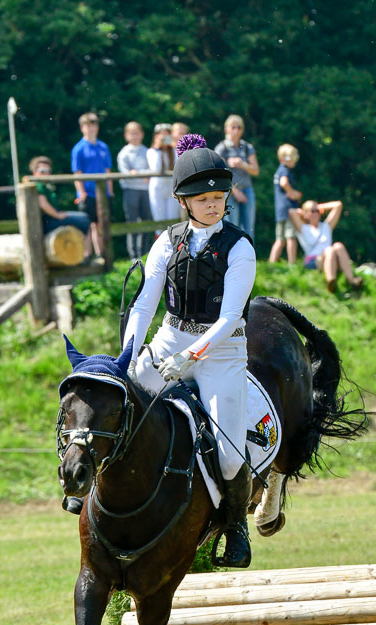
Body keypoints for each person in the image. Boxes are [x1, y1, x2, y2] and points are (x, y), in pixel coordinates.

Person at [123, 134, 256, 568]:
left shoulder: (240, 247)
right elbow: (145, 303)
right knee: (117, 405)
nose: (213, 205)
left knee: (232, 455)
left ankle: (235, 526)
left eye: (218, 197)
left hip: (221, 351)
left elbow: (229, 316)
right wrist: (127, 355)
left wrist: (190, 358)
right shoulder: (166, 242)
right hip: (169, 339)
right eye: (203, 199)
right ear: (184, 201)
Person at [289, 200, 363, 292]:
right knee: (329, 250)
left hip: (331, 259)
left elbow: (338, 205)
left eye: (317, 211)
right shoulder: (303, 228)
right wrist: (302, 212)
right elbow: (291, 212)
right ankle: (331, 281)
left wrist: (321, 206)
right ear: (306, 214)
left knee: (338, 245)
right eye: (312, 211)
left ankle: (352, 281)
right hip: (314, 261)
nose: (316, 213)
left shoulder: (326, 226)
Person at [71, 112, 113, 262]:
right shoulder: (79, 149)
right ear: (82, 128)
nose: (90, 129)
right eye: (87, 126)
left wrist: (110, 192)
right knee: (87, 225)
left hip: (103, 194)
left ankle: (101, 254)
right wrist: (81, 193)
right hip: (87, 193)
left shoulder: (103, 147)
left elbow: (108, 170)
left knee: (101, 225)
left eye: (93, 125)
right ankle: (87, 255)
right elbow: (77, 173)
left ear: (97, 127)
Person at [214, 114, 259, 239]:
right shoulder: (222, 148)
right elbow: (220, 175)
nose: (236, 130)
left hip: (247, 189)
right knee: (231, 226)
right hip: (229, 191)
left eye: (239, 127)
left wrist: (243, 165)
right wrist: (235, 191)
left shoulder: (246, 147)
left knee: (249, 228)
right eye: (233, 127)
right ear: (226, 129)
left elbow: (255, 170)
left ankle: (249, 256)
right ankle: (231, 256)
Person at [28, 156, 90, 237]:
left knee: (84, 217)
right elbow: (43, 204)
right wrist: (58, 215)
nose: (46, 173)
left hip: (52, 218)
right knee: (83, 220)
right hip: (48, 222)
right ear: (34, 172)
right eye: (42, 171)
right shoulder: (38, 185)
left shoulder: (46, 185)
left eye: (48, 171)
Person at [117, 122, 153, 260]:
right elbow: (126, 174)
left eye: (137, 133)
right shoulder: (124, 153)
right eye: (131, 133)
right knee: (132, 221)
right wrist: (142, 175)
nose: (134, 136)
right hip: (130, 190)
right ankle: (133, 254)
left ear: (142, 134)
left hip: (145, 191)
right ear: (126, 135)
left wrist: (137, 172)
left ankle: (144, 252)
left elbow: (151, 170)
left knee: (146, 220)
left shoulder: (146, 151)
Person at [269, 144, 302, 264]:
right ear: (284, 159)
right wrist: (293, 193)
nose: (294, 161)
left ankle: (271, 263)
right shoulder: (285, 170)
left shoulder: (279, 170)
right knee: (291, 237)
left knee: (280, 240)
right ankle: (292, 264)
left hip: (280, 210)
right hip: (289, 209)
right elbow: (284, 183)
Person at [146, 123, 179, 233]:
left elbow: (178, 165)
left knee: (172, 221)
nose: (165, 138)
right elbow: (156, 168)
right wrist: (157, 148)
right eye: (161, 135)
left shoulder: (174, 151)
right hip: (157, 189)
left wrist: (174, 146)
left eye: (167, 135)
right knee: (159, 223)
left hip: (171, 188)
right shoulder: (151, 152)